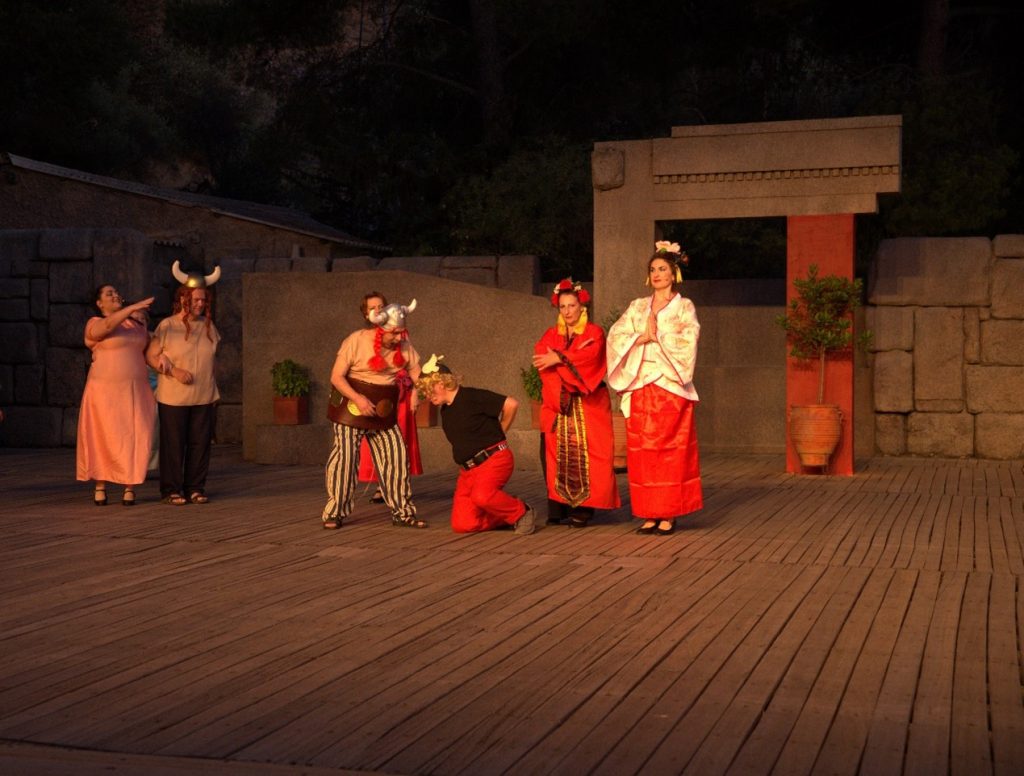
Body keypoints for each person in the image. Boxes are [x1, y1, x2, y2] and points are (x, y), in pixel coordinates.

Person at [606, 241, 703, 535]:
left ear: (673, 273)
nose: (657, 274)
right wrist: (639, 337)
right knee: (642, 453)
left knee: (669, 452)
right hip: (641, 385)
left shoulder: (684, 306)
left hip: (669, 386)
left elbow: (689, 338)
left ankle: (668, 513)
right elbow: (616, 335)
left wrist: (658, 335)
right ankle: (649, 512)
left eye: (662, 269)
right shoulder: (638, 306)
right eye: (653, 270)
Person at [322, 299, 425, 529]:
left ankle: (403, 512)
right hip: (352, 407)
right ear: (380, 328)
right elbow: (336, 377)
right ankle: (335, 512)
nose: (399, 337)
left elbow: (417, 373)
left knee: (397, 456)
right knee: (345, 458)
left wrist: (417, 392)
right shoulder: (356, 340)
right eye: (394, 333)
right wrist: (358, 399)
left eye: (401, 332)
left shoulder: (404, 345)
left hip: (384, 410)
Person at [533, 278, 621, 527]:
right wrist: (562, 362)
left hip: (588, 403)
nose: (567, 311)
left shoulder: (594, 332)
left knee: (591, 453)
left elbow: (590, 358)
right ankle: (558, 506)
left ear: (582, 307)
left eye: (572, 305)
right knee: (554, 452)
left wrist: (559, 358)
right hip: (558, 403)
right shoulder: (551, 334)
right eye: (563, 306)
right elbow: (541, 357)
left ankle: (584, 508)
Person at [416, 355, 537, 535]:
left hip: (494, 459)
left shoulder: (471, 396)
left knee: (482, 496)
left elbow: (511, 404)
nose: (427, 395)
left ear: (441, 384)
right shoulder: (446, 410)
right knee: (463, 524)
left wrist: (501, 430)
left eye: (428, 389)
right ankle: (504, 510)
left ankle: (521, 512)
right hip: (468, 472)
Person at [146, 261, 222, 506]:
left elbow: (213, 359)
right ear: (183, 299)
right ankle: (171, 490)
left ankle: (195, 488)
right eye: (196, 299)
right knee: (174, 444)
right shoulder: (168, 326)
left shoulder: (208, 327)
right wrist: (174, 371)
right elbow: (151, 356)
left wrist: (214, 387)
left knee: (200, 444)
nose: (200, 304)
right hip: (174, 397)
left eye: (203, 300)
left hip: (204, 396)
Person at [76, 285, 157, 506]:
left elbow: (149, 352)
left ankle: (129, 486)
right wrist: (132, 308)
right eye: (109, 294)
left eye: (116, 292)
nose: (115, 295)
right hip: (104, 392)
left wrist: (168, 365)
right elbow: (106, 327)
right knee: (103, 435)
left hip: (135, 391)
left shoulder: (136, 325)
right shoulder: (95, 323)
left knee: (134, 434)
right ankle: (100, 485)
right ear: (99, 303)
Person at [356, 291, 423, 503]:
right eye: (372, 308)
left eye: (380, 306)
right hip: (374, 396)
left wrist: (416, 392)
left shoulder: (400, 335)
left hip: (399, 395)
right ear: (366, 314)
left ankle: (399, 483)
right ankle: (380, 484)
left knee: (401, 438)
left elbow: (414, 368)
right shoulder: (362, 339)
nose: (377, 310)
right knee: (375, 440)